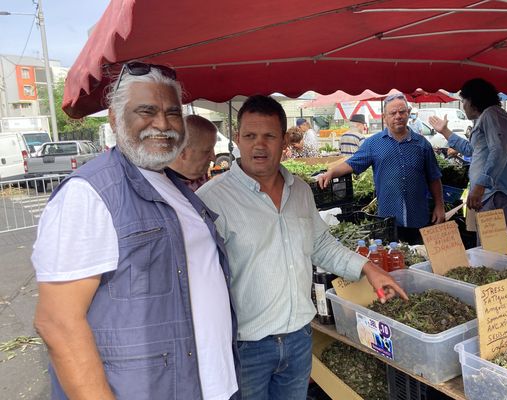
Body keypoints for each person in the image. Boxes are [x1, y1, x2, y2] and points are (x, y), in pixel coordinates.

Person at [31, 63, 239, 400]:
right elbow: (58, 323)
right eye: (147, 110)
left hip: (212, 386)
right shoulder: (89, 194)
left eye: (173, 113)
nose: (162, 124)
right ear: (114, 119)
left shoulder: (171, 184)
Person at [197, 95, 407, 400]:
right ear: (237, 139)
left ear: (283, 140)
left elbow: (321, 244)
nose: (259, 145)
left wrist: (369, 268)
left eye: (268, 136)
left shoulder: (299, 190)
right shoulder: (212, 199)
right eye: (249, 136)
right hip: (246, 348)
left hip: (298, 340)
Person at [318, 93, 445, 244]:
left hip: (419, 219)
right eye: (393, 113)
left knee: (420, 259)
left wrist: (440, 205)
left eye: (402, 112)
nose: (398, 116)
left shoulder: (422, 144)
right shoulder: (374, 144)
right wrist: (332, 172)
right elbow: (352, 163)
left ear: (408, 114)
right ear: (385, 117)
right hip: (388, 221)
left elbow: (434, 177)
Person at [429, 78, 507, 233]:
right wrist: (445, 131)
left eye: (463, 101)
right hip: (491, 196)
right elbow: (472, 150)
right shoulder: (487, 117)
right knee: (489, 250)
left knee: (493, 252)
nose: (463, 106)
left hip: (497, 195)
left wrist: (480, 185)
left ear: (472, 100)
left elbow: (500, 151)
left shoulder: (492, 114)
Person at [168, 114, 217, 191]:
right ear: (182, 151)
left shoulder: (201, 175)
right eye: (207, 151)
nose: (214, 158)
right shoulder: (160, 189)